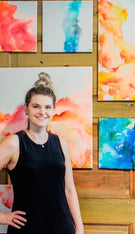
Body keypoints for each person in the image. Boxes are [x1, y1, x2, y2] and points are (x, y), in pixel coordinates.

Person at [0, 72, 84, 234]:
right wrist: (1, 216)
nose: (42, 112)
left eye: (47, 107)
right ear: (26, 108)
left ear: (53, 110)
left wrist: (79, 227)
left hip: (62, 227)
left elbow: (69, 190)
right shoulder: (14, 143)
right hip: (27, 228)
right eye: (36, 106)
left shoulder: (61, 143)